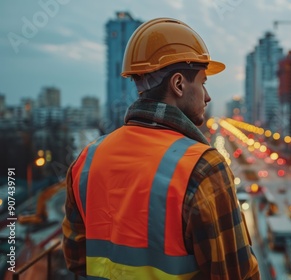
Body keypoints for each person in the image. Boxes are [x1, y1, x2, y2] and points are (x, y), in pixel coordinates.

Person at [62, 18, 261, 280]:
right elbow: (236, 273)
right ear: (178, 84)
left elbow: (76, 260)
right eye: (202, 82)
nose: (207, 96)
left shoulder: (88, 160)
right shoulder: (202, 167)